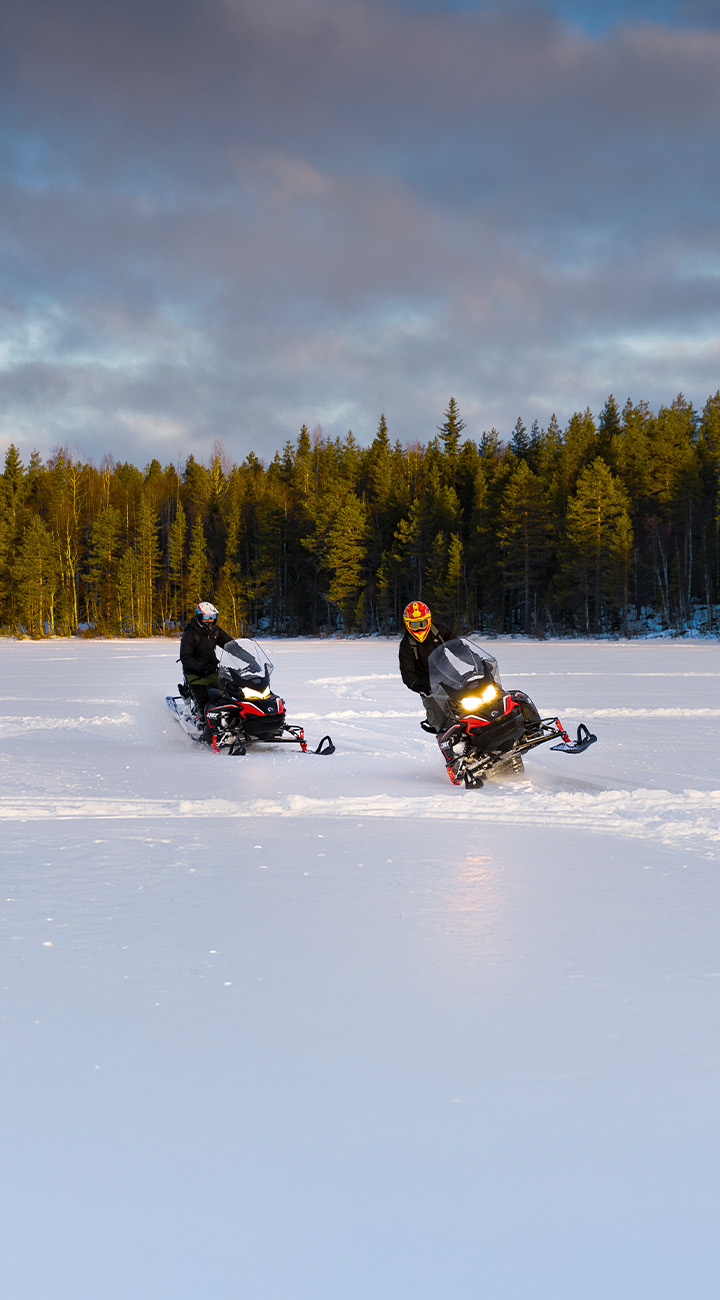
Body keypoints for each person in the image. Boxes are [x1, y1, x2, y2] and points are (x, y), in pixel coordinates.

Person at [398, 600, 455, 734]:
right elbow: (407, 672)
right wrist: (418, 686)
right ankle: (450, 746)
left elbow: (458, 647)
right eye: (415, 625)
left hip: (451, 676)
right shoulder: (406, 645)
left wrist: (474, 661)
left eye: (422, 623)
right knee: (441, 721)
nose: (419, 628)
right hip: (429, 687)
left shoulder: (440, 631)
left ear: (428, 620)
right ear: (408, 624)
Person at [179, 602, 233, 714]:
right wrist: (202, 667)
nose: (210, 620)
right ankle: (201, 720)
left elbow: (231, 645)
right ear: (199, 617)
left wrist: (245, 654)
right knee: (204, 699)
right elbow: (185, 657)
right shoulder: (190, 634)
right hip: (195, 674)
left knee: (232, 691)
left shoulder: (215, 631)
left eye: (212, 617)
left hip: (213, 670)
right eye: (206, 617)